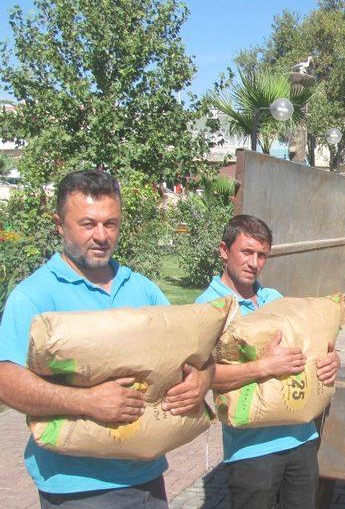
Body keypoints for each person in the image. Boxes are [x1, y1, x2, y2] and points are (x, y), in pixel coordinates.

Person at [0, 170, 209, 508]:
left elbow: (194, 355)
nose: (101, 235)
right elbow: (6, 382)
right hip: (77, 488)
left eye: (110, 224)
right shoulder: (35, 296)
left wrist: (201, 380)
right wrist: (87, 402)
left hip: (146, 475)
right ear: (59, 224)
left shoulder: (141, 288)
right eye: (87, 224)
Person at [193, 214, 340, 509]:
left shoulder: (274, 298)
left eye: (262, 255)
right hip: (251, 449)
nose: (254, 263)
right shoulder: (207, 308)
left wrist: (332, 359)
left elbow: (308, 346)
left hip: (301, 439)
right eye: (246, 252)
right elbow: (200, 378)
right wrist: (264, 367)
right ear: (224, 250)